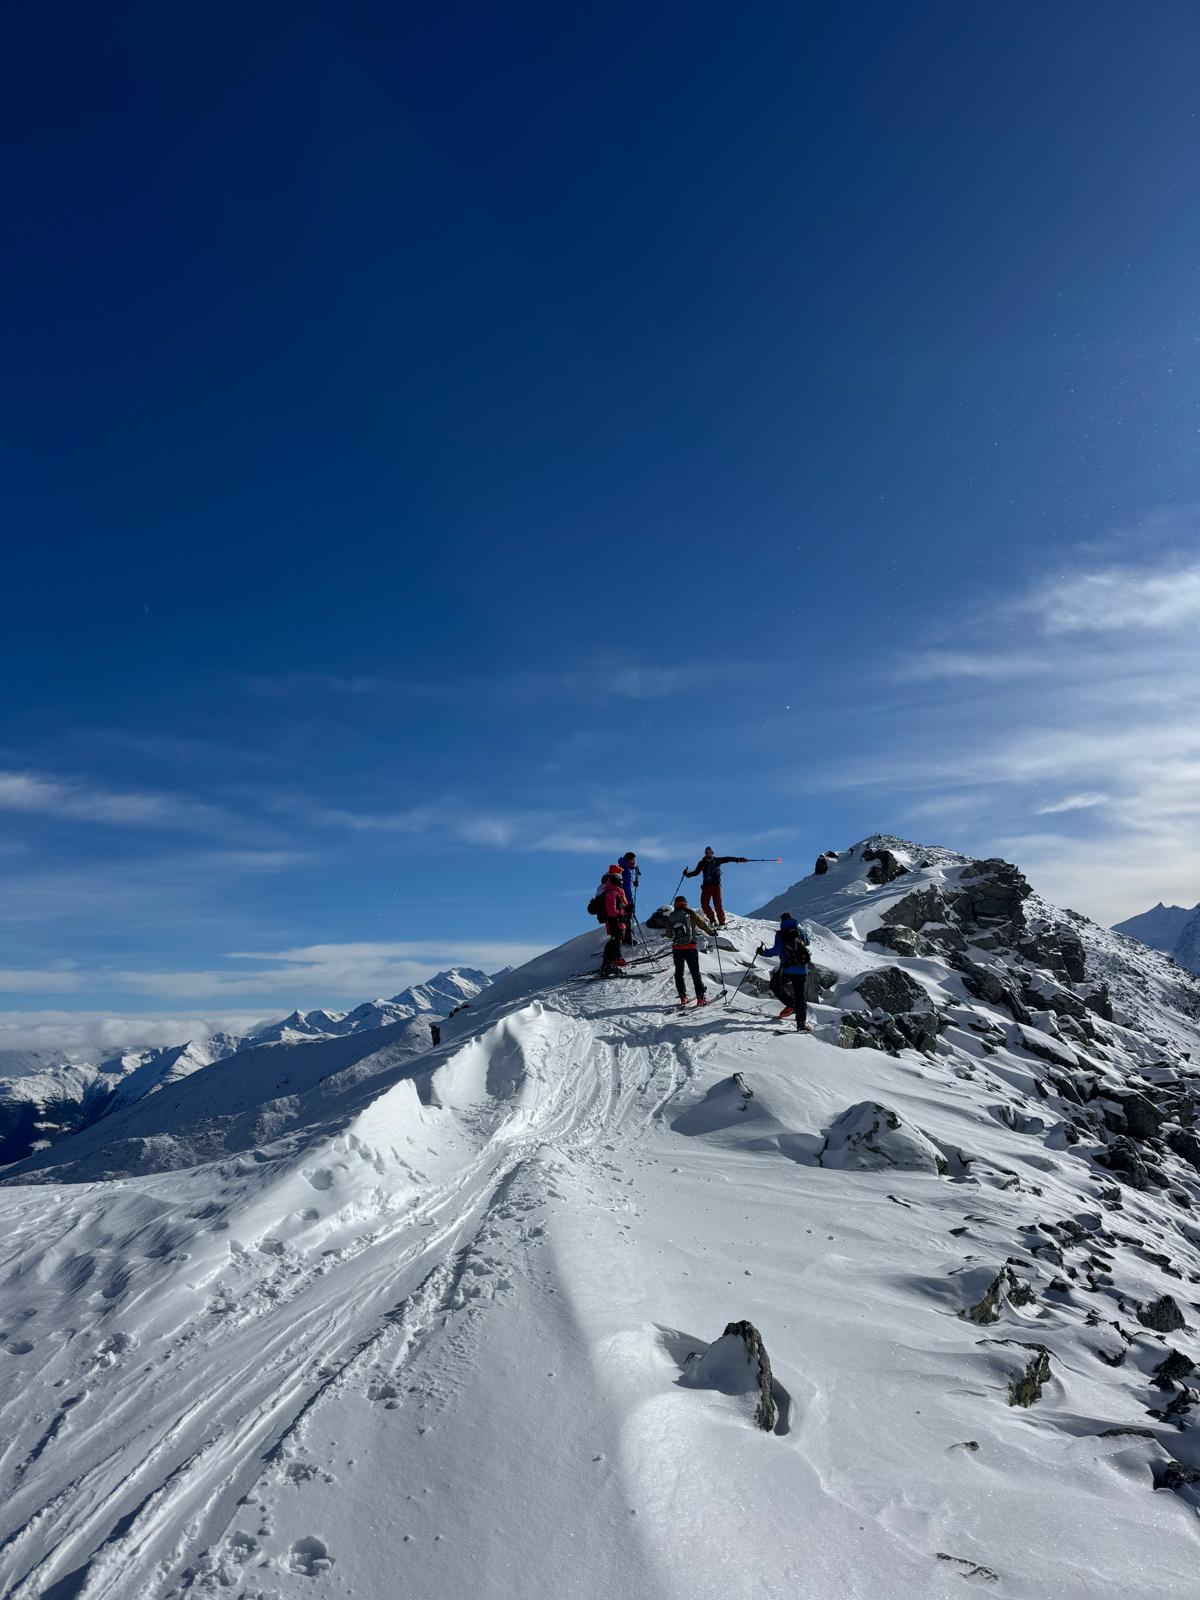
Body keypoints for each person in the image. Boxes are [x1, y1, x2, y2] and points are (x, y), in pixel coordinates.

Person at [758, 912, 812, 1032]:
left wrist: (762, 952)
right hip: (802, 969)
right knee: (800, 995)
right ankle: (801, 1023)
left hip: (787, 968)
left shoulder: (781, 933)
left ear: (782, 921)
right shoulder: (800, 930)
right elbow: (808, 942)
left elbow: (776, 951)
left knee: (775, 985)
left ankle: (790, 1004)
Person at [683, 846, 748, 928]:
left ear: (712, 853)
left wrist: (738, 859)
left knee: (718, 905)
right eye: (706, 852)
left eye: (708, 852)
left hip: (716, 886)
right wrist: (688, 874)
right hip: (706, 886)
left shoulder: (717, 860)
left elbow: (728, 859)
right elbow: (696, 872)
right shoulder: (702, 863)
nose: (707, 854)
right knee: (704, 904)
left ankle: (722, 923)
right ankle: (712, 921)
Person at [666, 894, 712, 1006]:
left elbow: (668, 934)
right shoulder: (691, 913)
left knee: (679, 973)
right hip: (690, 947)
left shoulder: (672, 916)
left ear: (675, 904)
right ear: (686, 903)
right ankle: (701, 998)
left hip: (677, 948)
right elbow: (702, 924)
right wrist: (711, 932)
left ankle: (683, 997)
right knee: (695, 973)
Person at [600, 870, 631, 977]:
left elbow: (620, 908)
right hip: (614, 922)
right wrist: (619, 915)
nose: (622, 882)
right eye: (620, 880)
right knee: (615, 941)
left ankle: (609, 965)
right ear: (615, 881)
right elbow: (611, 910)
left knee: (617, 941)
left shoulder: (617, 892)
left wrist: (627, 910)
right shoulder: (611, 893)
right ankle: (609, 965)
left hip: (618, 921)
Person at [618, 851, 639, 944]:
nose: (634, 863)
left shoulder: (621, 868)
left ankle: (623, 938)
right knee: (627, 918)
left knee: (622, 918)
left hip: (619, 898)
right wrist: (630, 902)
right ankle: (627, 939)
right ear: (628, 860)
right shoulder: (626, 871)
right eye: (633, 861)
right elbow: (627, 888)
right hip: (625, 899)